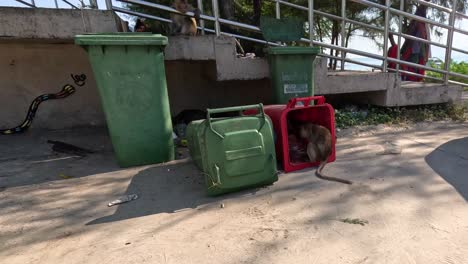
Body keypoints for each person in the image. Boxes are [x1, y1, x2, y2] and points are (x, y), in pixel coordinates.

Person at [400, 0, 431, 81]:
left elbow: (419, 44)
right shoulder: (420, 24)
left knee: (413, 74)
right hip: (415, 53)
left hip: (415, 53)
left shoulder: (419, 24)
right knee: (412, 74)